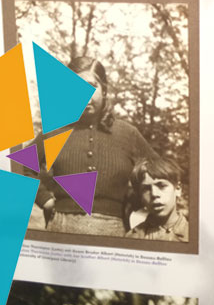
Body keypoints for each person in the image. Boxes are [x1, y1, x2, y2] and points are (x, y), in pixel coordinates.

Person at [31, 57, 159, 236]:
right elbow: (21, 168)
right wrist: (46, 200)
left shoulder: (127, 133)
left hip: (113, 230)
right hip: (61, 227)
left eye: (91, 87)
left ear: (104, 90)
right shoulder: (55, 131)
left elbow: (159, 171)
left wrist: (133, 203)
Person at [125, 158, 188, 242]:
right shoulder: (132, 238)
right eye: (146, 189)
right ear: (140, 196)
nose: (154, 194)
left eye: (161, 186)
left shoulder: (194, 235)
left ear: (177, 189)